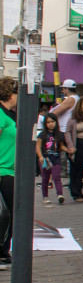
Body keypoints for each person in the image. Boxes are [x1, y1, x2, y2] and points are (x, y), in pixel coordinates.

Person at [0, 77, 18, 270]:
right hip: (2, 170)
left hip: (10, 170)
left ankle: (4, 251)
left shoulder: (10, 114)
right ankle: (2, 253)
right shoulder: (0, 113)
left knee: (10, 213)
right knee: (6, 214)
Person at [37, 114, 67, 204]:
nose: (50, 124)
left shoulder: (60, 134)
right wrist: (40, 157)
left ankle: (60, 195)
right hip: (45, 159)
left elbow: (61, 146)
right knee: (45, 178)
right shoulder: (42, 134)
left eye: (52, 122)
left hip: (56, 159)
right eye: (48, 122)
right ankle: (45, 196)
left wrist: (68, 150)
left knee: (56, 176)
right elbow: (38, 146)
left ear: (56, 122)